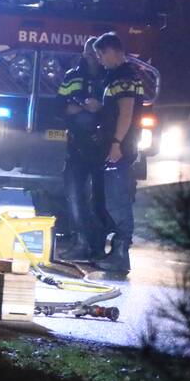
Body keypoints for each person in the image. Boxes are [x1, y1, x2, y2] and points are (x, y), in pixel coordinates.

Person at [91, 32, 144, 274]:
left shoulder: (124, 77)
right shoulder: (118, 76)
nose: (100, 59)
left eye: (101, 54)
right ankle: (117, 253)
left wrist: (115, 143)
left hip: (120, 148)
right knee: (112, 199)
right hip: (118, 145)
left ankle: (121, 254)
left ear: (112, 51)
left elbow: (126, 112)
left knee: (118, 201)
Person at [56, 37, 107, 260]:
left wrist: (100, 109)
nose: (93, 58)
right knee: (75, 195)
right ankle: (80, 242)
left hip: (104, 148)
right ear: (84, 54)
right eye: (89, 54)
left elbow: (121, 109)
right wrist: (78, 109)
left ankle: (99, 246)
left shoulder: (111, 77)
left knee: (101, 199)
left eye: (96, 54)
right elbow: (60, 107)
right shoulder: (72, 76)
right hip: (77, 146)